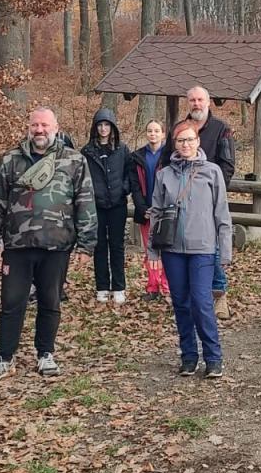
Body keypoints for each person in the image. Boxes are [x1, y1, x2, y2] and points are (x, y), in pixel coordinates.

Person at [0, 107, 97, 382]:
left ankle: (46, 353)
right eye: (35, 125)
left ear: (56, 127)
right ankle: (4, 357)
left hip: (57, 245)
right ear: (28, 128)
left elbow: (85, 202)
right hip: (17, 245)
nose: (39, 130)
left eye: (45, 125)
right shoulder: (10, 159)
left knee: (50, 301)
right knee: (11, 302)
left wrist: (86, 244)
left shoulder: (74, 160)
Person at [149, 120, 233, 378]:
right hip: (172, 249)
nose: (186, 145)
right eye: (180, 140)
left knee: (201, 301)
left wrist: (225, 250)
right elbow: (156, 213)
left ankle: (213, 357)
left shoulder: (212, 172)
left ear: (198, 141)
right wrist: (153, 252)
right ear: (174, 144)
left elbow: (222, 213)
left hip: (203, 248)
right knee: (181, 303)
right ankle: (188, 355)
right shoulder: (164, 175)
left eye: (190, 139)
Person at [173, 86, 237, 320]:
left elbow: (227, 165)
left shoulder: (221, 129)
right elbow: (167, 162)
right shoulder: (180, 128)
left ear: (208, 102)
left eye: (200, 99)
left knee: (213, 249)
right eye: (192, 100)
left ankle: (220, 295)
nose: (196, 104)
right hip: (182, 200)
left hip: (209, 199)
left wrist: (214, 192)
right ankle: (193, 296)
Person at [81, 108, 131, 303]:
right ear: (95, 127)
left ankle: (119, 287)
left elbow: (129, 172)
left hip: (117, 204)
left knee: (117, 246)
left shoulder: (122, 149)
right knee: (99, 246)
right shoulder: (87, 151)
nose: (103, 129)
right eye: (100, 125)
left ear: (112, 128)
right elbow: (82, 177)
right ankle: (102, 286)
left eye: (107, 125)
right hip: (96, 205)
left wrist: (124, 189)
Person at [129, 120, 170, 302]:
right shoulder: (137, 156)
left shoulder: (169, 155)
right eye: (150, 131)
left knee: (166, 251)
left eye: (156, 131)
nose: (153, 134)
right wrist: (142, 208)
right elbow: (134, 186)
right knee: (149, 251)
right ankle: (152, 286)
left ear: (163, 133)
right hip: (146, 212)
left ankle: (167, 287)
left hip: (165, 212)